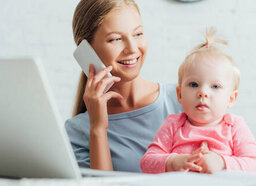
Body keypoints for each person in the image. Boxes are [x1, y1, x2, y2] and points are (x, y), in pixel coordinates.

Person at [65, 0, 183, 172]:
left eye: (138, 34)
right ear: (86, 49)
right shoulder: (78, 130)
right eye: (116, 39)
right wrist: (98, 128)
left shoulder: (183, 99)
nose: (132, 48)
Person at [140, 28, 256, 174]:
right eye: (194, 84)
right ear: (179, 94)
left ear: (231, 99)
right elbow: (147, 162)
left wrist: (222, 162)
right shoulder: (173, 125)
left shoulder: (234, 127)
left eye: (215, 86)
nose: (203, 93)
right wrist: (173, 162)